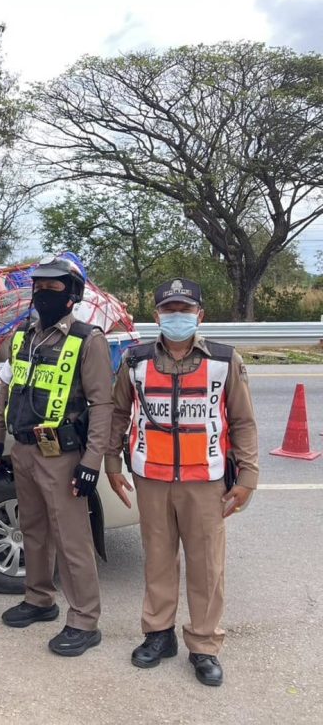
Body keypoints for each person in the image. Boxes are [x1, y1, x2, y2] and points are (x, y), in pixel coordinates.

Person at [105, 278, 258, 687]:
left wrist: (248, 476)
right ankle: (159, 634)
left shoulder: (225, 361)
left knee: (207, 566)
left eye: (184, 310)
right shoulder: (135, 361)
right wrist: (112, 464)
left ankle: (204, 645)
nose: (177, 317)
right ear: (156, 317)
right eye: (169, 310)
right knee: (157, 559)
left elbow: (243, 421)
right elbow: (118, 414)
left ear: (199, 315)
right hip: (151, 478)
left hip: (205, 481)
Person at [0, 255, 113, 657]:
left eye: (53, 287)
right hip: (24, 448)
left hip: (62, 454)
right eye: (39, 286)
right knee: (33, 529)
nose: (43, 293)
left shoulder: (88, 340)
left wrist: (91, 463)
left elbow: (102, 406)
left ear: (72, 295)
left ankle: (84, 621)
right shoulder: (23, 337)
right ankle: (39, 598)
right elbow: (8, 389)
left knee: (71, 538)